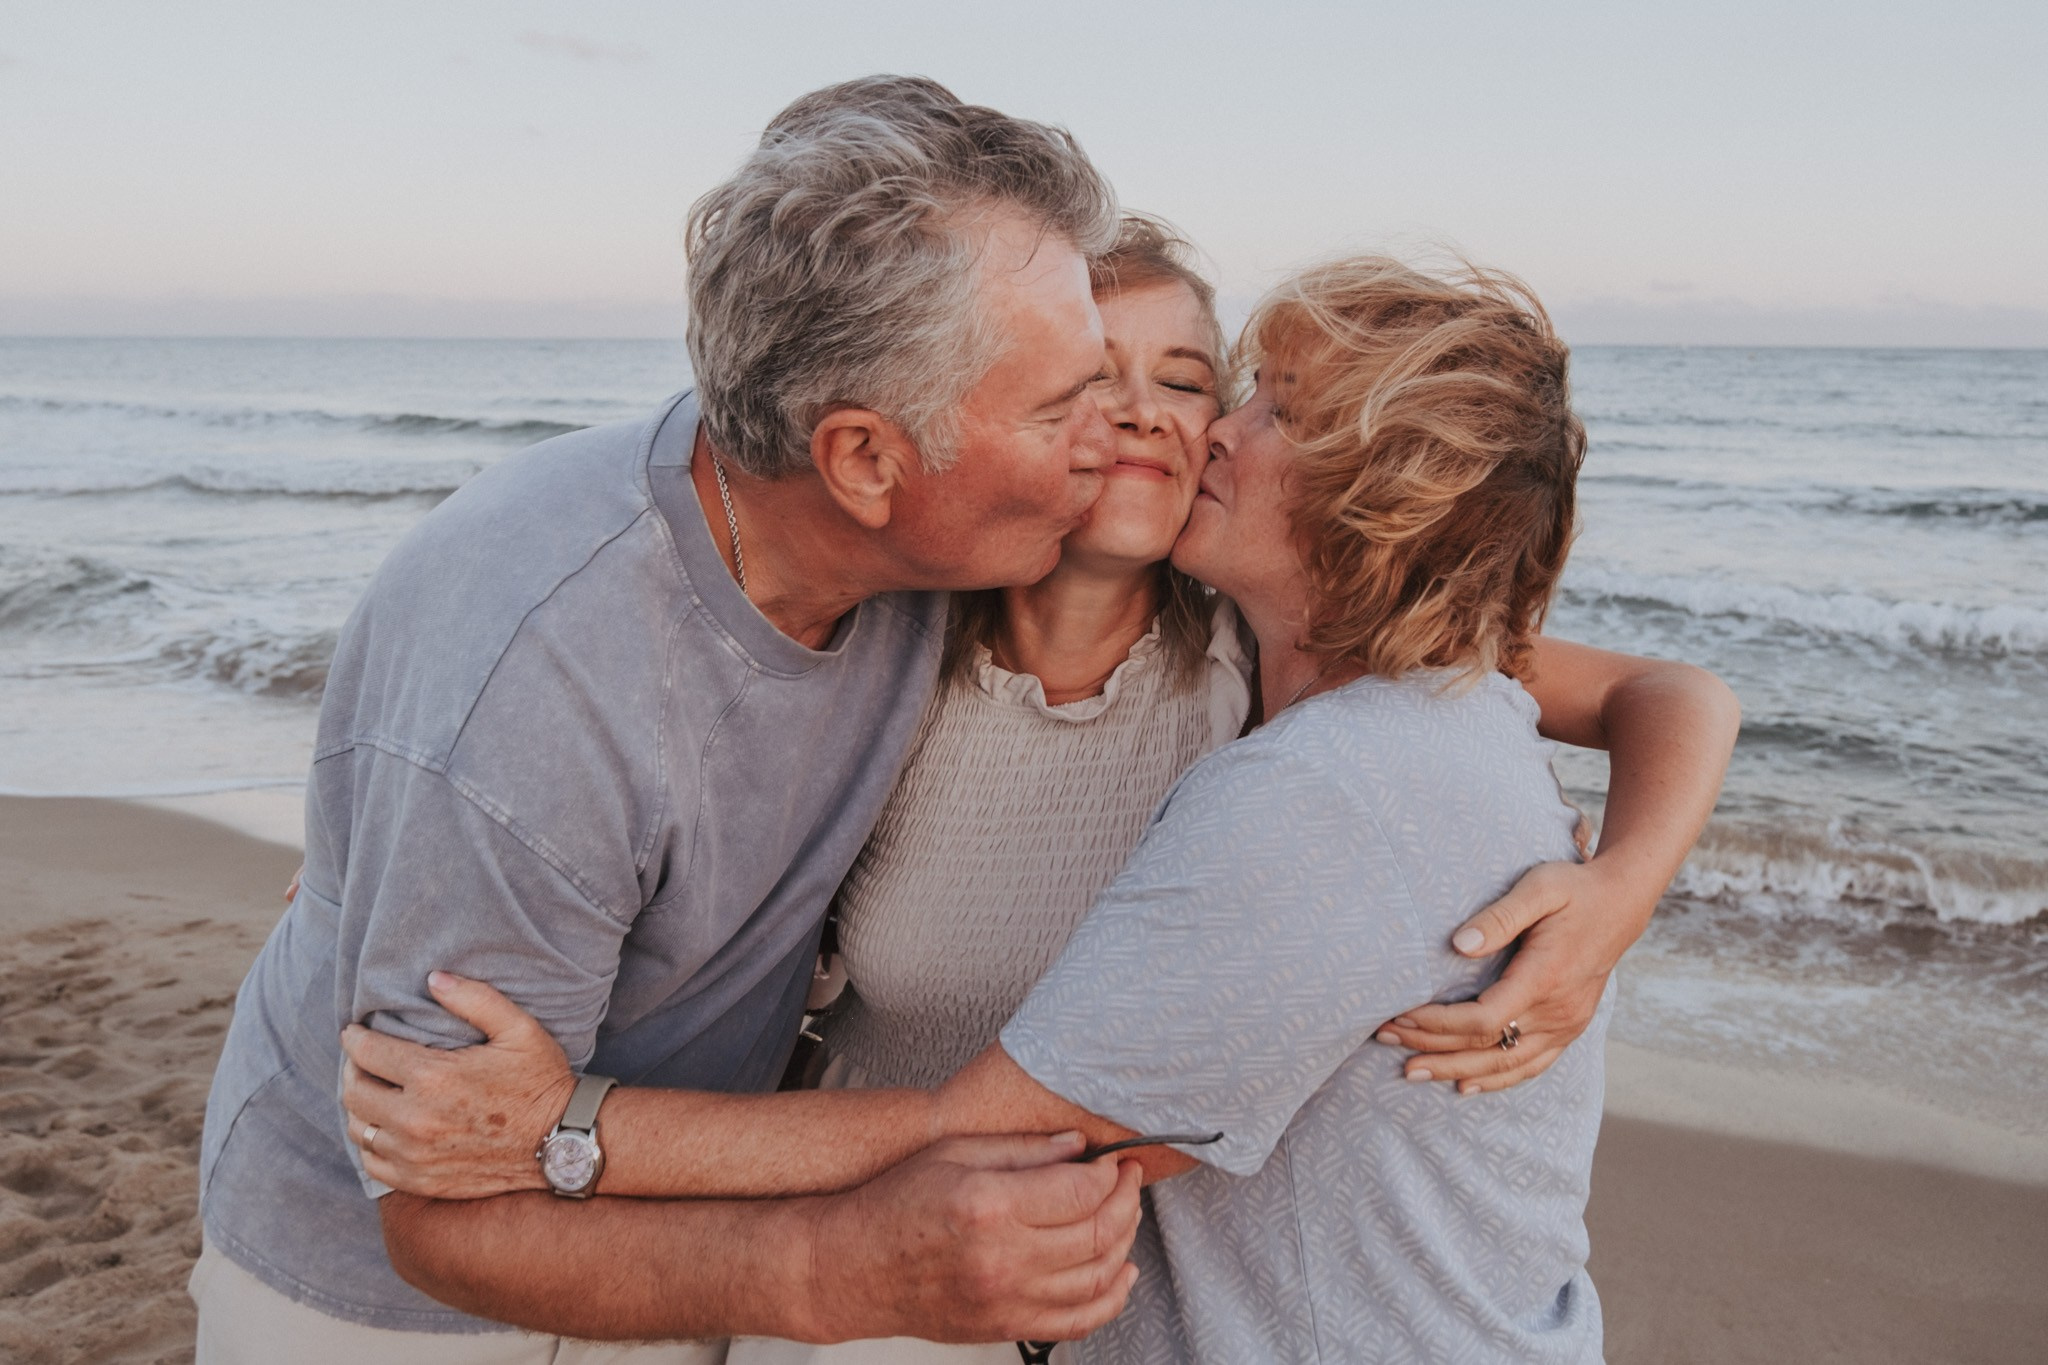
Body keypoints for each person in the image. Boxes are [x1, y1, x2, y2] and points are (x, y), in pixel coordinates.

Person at [338, 248, 1740, 1365]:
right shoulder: (1428, 707)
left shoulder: (1323, 782)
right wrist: (429, 844)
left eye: (1270, 408)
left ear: (1379, 499)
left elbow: (993, 1125)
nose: (1215, 435)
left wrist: (566, 1126)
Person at [193, 75, 1149, 1364]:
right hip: (387, 1295)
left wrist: (1520, 853)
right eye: (1061, 408)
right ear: (864, 460)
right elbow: (438, 1209)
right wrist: (837, 1270)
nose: (1119, 436)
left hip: (673, 1204)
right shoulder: (547, 690)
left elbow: (1366, 600)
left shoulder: (946, 534)